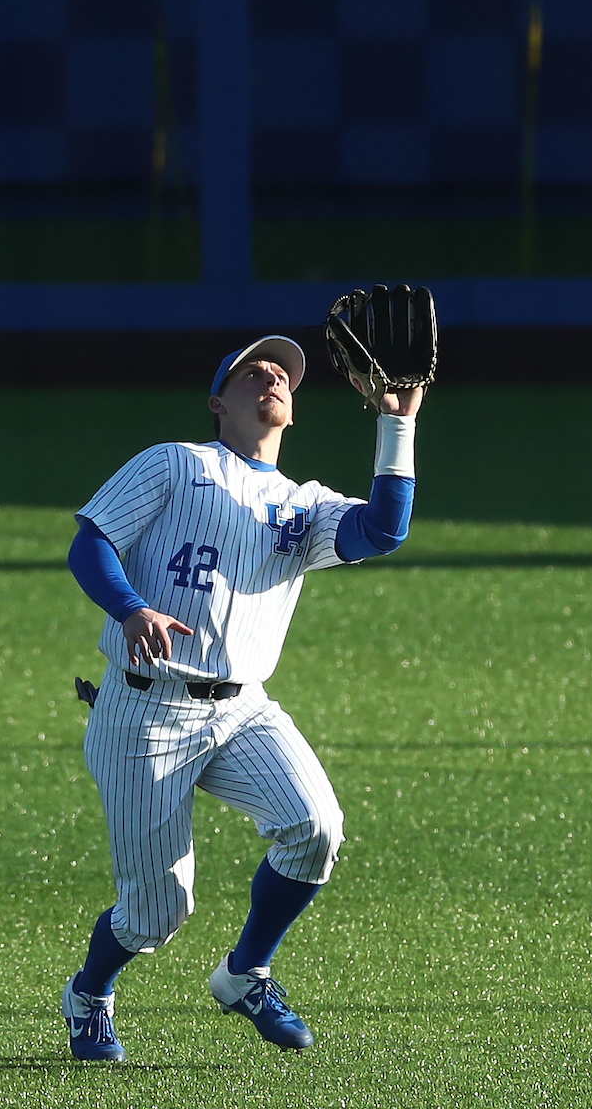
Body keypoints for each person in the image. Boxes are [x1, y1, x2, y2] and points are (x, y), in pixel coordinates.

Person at [62, 334, 423, 1060]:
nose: (272, 379)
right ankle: (90, 991)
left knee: (316, 827)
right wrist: (132, 608)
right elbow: (91, 542)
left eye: (282, 376)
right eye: (252, 372)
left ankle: (245, 971)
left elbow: (383, 529)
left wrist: (398, 422)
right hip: (144, 709)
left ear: (291, 409)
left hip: (242, 708)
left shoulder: (304, 505)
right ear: (217, 403)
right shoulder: (174, 463)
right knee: (156, 914)